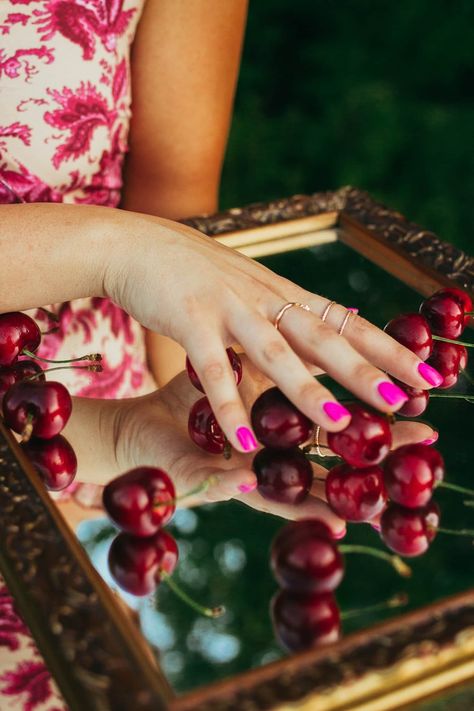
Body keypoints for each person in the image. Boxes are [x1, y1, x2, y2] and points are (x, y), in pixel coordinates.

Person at [0, 1, 440, 707]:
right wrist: (117, 248)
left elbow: (175, 214)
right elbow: (155, 245)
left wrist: (138, 427)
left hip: (66, 443)